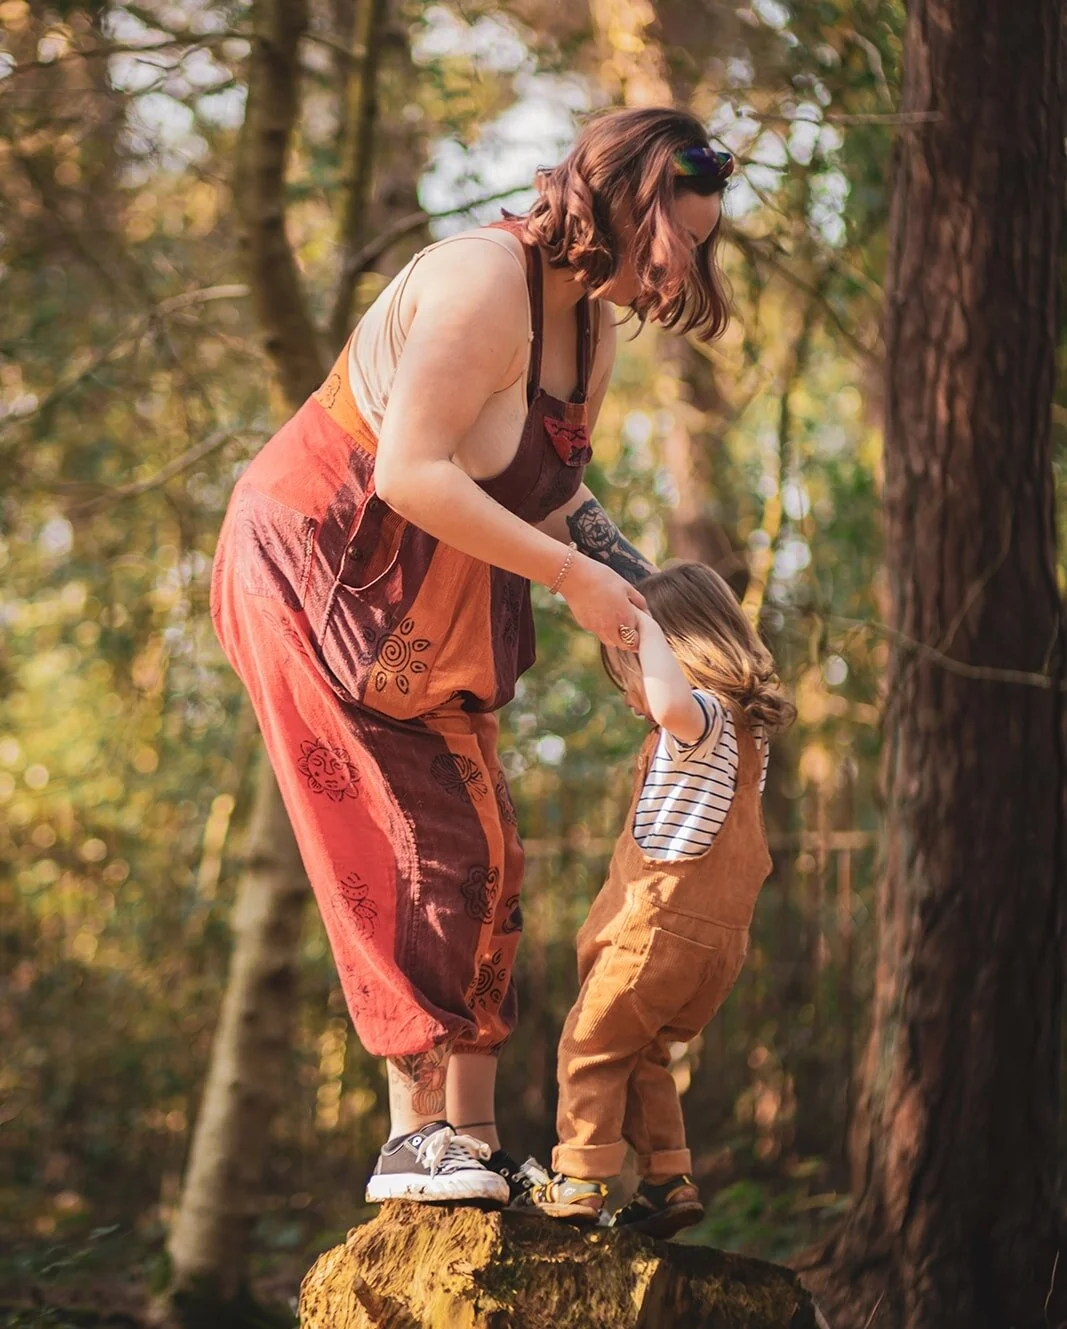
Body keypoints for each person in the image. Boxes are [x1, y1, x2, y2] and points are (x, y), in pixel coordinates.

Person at [209, 107, 734, 1206]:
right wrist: (574, 582)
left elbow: (555, 491)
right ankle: (413, 1138)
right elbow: (408, 472)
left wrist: (644, 591)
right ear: (629, 210)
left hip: (435, 600)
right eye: (673, 245)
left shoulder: (588, 323)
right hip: (324, 572)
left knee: (491, 850)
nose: (675, 275)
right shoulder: (477, 284)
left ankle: (472, 1142)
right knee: (416, 841)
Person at [524, 562, 795, 1234]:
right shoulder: (747, 732)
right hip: (712, 945)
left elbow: (672, 701)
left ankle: (581, 1177)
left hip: (657, 933)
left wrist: (637, 623)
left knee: (589, 1045)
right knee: (641, 1052)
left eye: (629, 675)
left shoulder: (697, 716)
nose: (628, 696)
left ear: (673, 651)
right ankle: (667, 1179)